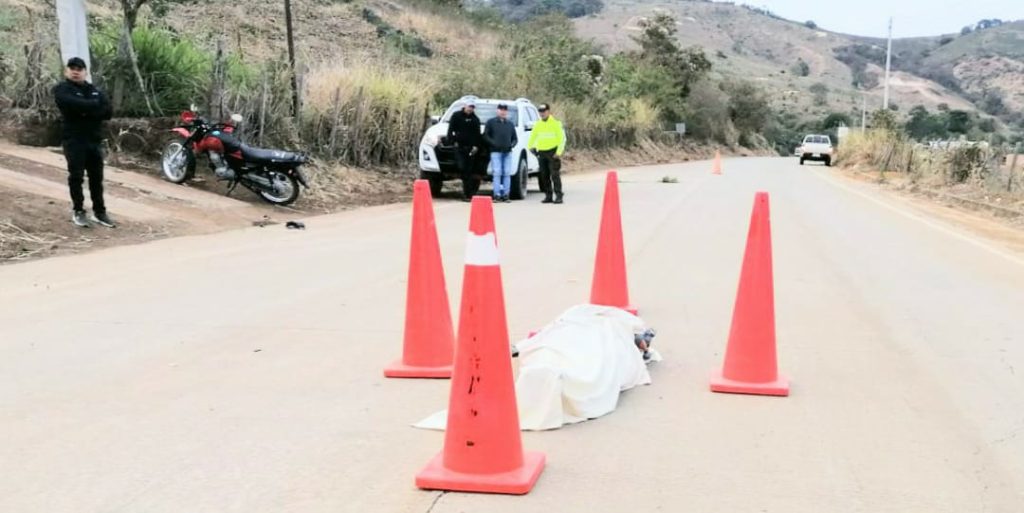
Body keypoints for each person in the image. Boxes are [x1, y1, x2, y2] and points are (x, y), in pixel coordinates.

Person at [53, 57, 115, 228]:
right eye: (72, 68)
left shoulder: (94, 90)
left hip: (94, 141)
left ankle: (100, 212)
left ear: (85, 72)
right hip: (74, 140)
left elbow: (108, 111)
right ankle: (79, 211)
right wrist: (93, 107)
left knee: (97, 178)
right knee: (76, 176)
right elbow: (69, 104)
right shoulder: (62, 89)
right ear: (67, 71)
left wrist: (83, 110)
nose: (75, 71)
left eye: (79, 68)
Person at [527, 103, 567, 204]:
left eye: (544, 111)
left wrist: (559, 152)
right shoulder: (538, 124)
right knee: (544, 176)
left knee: (555, 175)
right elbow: (533, 137)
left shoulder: (556, 123)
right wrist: (530, 147)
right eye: (540, 111)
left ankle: (558, 195)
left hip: (553, 152)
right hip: (541, 152)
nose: (542, 113)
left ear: (549, 111)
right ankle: (548, 195)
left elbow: (562, 139)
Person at [446, 100, 482, 202]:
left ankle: (468, 195)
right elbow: (450, 130)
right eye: (469, 106)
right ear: (465, 106)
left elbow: (477, 135)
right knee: (461, 167)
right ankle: (467, 192)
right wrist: (452, 141)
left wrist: (476, 146)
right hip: (459, 147)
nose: (470, 108)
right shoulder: (456, 116)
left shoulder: (475, 119)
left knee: (468, 171)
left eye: (472, 107)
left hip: (470, 149)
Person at [483, 103, 517, 203]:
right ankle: (497, 194)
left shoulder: (510, 124)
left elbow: (515, 138)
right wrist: (493, 143)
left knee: (507, 173)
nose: (503, 112)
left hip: (507, 152)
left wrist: (512, 145)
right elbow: (485, 136)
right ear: (497, 111)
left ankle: (506, 194)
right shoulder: (491, 122)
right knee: (497, 173)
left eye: (505, 110)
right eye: (501, 109)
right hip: (495, 152)